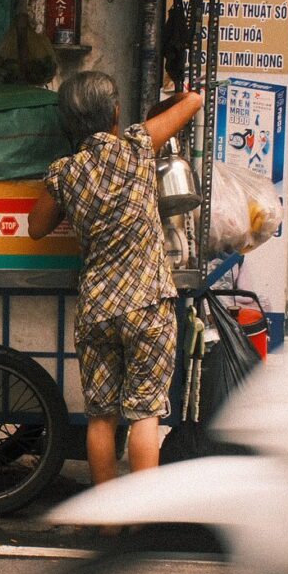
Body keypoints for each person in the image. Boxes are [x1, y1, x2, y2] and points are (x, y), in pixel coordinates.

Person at [29, 73, 205, 483]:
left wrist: (71, 203)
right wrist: (168, 102)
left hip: (97, 309)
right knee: (145, 415)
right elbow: (194, 102)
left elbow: (36, 226)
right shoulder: (139, 145)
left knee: (101, 417)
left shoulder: (65, 172)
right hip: (146, 302)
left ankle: (107, 521)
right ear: (115, 112)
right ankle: (139, 516)